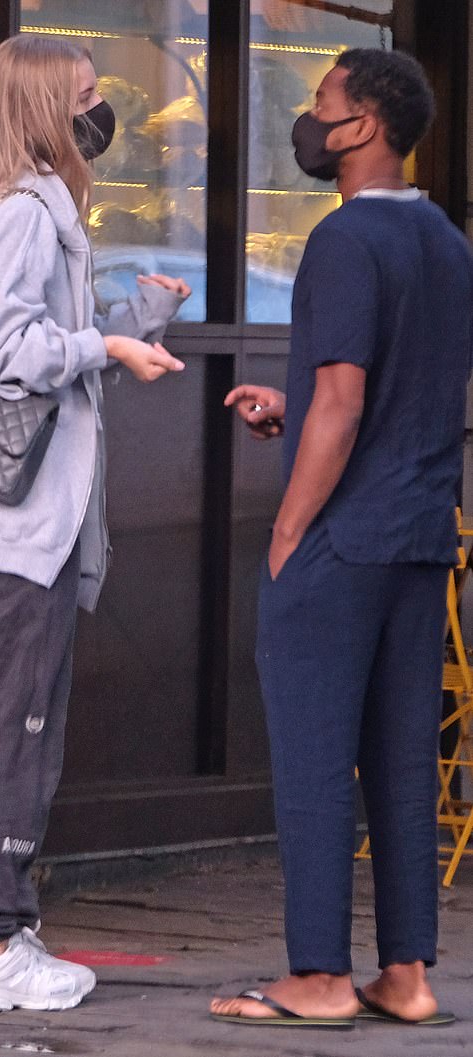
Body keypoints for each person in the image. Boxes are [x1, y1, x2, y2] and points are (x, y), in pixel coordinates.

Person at [0, 34, 190, 1014]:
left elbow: (28, 340)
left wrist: (127, 321)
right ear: (44, 111)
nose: (100, 108)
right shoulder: (30, 209)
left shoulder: (9, 203)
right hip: (15, 526)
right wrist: (104, 337)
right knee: (14, 737)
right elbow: (1, 350)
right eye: (85, 94)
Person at [212, 48, 473, 1029]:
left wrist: (287, 527)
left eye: (321, 103)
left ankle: (318, 974)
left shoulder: (343, 239)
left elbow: (344, 395)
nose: (308, 120)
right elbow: (400, 391)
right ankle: (405, 973)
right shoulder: (446, 240)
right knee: (405, 757)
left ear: (362, 125)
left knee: (316, 754)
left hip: (340, 542)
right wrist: (300, 409)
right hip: (417, 536)